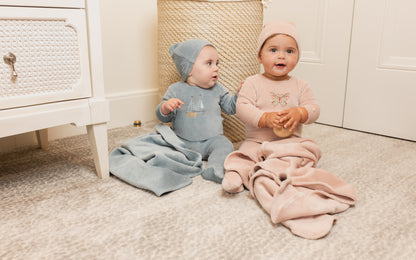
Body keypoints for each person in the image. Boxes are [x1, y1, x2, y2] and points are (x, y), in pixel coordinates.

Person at [221, 21, 356, 239]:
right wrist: (263, 118)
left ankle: (286, 172)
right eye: (273, 50)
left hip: (289, 143)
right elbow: (242, 107)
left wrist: (300, 113)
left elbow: (314, 109)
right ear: (259, 56)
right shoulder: (252, 83)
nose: (281, 56)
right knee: (244, 155)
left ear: (297, 57)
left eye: (289, 51)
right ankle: (237, 174)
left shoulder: (300, 85)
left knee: (306, 150)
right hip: (257, 140)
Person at [156, 39, 238, 184]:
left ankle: (214, 168)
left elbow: (231, 108)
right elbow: (163, 118)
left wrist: (239, 94)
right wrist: (165, 107)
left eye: (217, 63)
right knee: (162, 144)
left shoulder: (218, 89)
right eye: (209, 63)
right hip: (182, 141)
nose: (216, 68)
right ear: (189, 69)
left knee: (226, 145)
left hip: (211, 141)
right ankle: (173, 166)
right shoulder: (176, 89)